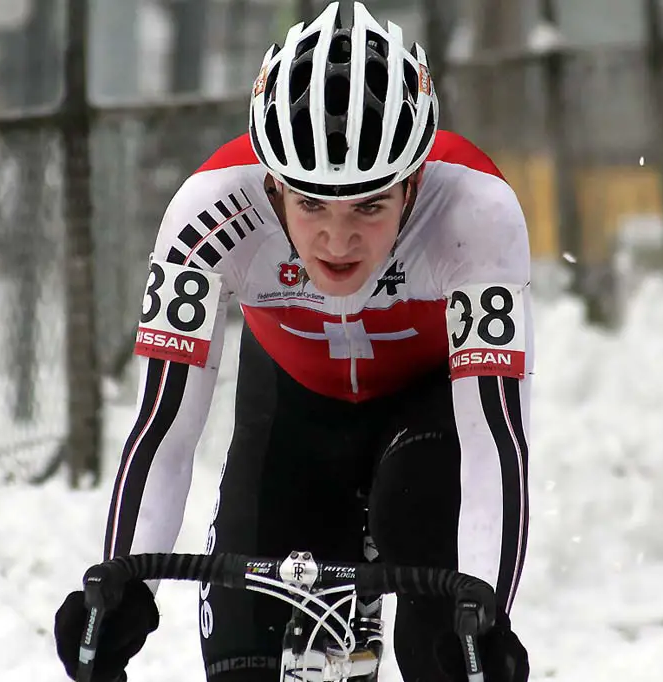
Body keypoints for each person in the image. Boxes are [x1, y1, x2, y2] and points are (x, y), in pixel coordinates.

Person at [54, 2, 533, 681]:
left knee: (441, 609)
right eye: (311, 205)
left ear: (416, 183)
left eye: (370, 205)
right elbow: (163, 430)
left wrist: (489, 611)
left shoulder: (475, 211)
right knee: (246, 661)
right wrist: (121, 592)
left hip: (428, 415)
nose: (338, 241)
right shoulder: (208, 212)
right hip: (292, 408)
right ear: (271, 185)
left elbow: (494, 439)